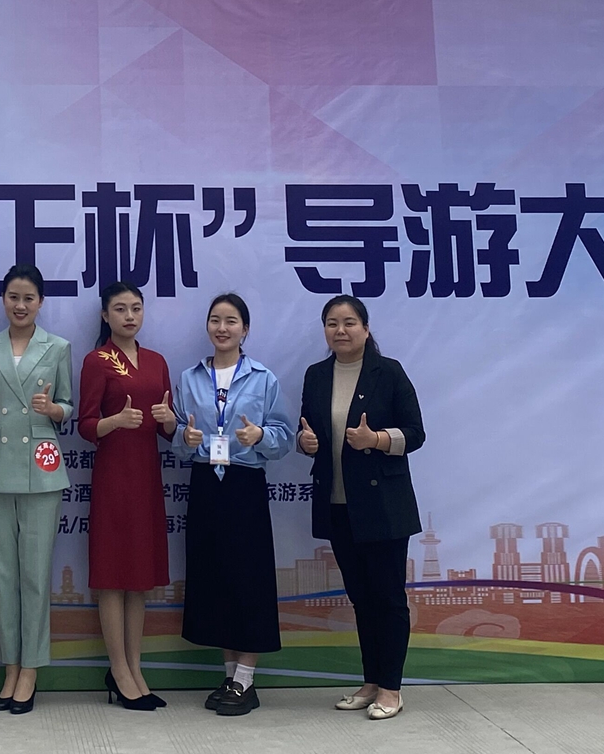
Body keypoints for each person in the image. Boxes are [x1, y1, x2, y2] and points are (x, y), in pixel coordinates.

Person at [295, 294, 426, 721]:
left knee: (388, 599)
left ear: (366, 329)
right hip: (338, 505)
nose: (341, 330)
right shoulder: (317, 375)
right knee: (362, 599)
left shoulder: (388, 372)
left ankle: (391, 688)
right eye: (332, 323)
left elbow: (416, 433)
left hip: (383, 506)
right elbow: (306, 430)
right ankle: (371, 682)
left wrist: (378, 440)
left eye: (349, 322)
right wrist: (304, 442)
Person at [173, 293, 293, 716]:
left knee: (248, 579)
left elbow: (284, 436)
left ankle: (246, 679)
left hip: (244, 485)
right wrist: (185, 439)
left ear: (245, 329)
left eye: (231, 321)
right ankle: (229, 677)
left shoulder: (263, 378)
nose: (222, 328)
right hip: (206, 483)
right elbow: (178, 438)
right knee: (215, 579)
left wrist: (260, 436)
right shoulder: (190, 378)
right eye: (215, 320)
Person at [0, 264, 73, 715]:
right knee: (3, 575)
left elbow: (68, 406)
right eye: (13, 297)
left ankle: (30, 668)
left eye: (29, 297)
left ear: (41, 302)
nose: (21, 305)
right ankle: (10, 665)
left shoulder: (58, 347)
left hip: (40, 468)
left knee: (35, 574)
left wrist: (54, 409)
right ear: (3, 300)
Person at [77, 281, 176, 711]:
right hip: (114, 477)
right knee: (113, 577)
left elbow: (169, 430)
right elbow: (85, 425)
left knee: (139, 579)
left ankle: (136, 668)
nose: (130, 316)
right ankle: (118, 670)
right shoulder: (97, 360)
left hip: (147, 475)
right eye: (120, 309)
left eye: (136, 308)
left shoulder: (156, 361)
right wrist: (114, 421)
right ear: (105, 316)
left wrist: (169, 420)